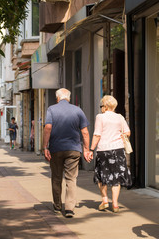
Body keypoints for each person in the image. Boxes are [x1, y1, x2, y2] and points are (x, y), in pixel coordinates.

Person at [43, 88, 90, 218]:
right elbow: (85, 132)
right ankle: (69, 209)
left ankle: (57, 206)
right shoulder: (78, 110)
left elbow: (48, 128)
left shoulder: (52, 109)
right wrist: (87, 149)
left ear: (58, 98)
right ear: (68, 98)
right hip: (73, 149)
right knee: (71, 179)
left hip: (56, 149)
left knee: (56, 178)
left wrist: (45, 146)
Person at [89, 95, 132, 213]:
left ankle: (105, 200)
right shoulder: (120, 117)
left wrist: (91, 149)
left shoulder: (100, 117)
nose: (101, 108)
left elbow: (97, 134)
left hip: (104, 150)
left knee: (102, 175)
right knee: (116, 177)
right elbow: (127, 132)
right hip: (118, 150)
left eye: (101, 105)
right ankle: (116, 204)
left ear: (105, 106)